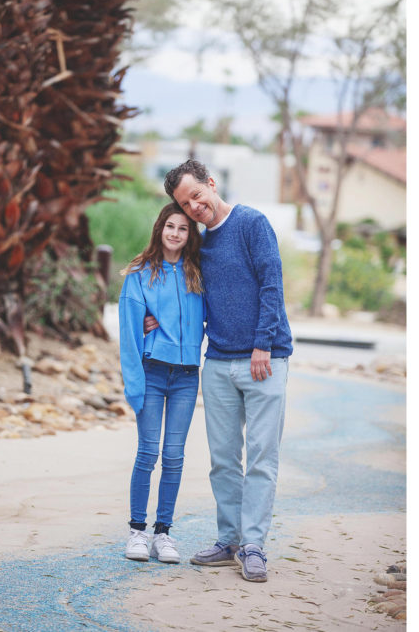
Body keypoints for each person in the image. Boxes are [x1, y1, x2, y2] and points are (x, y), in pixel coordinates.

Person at [152, 159, 294, 583]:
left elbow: (272, 283)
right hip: (216, 362)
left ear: (212, 184)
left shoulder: (252, 222)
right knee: (224, 461)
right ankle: (228, 541)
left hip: (264, 359)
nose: (194, 207)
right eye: (184, 202)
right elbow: (183, 289)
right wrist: (154, 317)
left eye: (197, 195)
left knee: (262, 458)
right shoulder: (197, 243)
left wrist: (263, 344)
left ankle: (253, 547)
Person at [118, 202, 205, 564]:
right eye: (170, 226)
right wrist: (134, 385)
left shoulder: (197, 273)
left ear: (189, 235)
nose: (175, 233)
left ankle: (163, 534)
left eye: (183, 229)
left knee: (174, 457)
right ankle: (137, 531)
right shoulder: (140, 273)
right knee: (149, 452)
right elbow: (128, 334)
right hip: (152, 373)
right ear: (160, 228)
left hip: (186, 376)